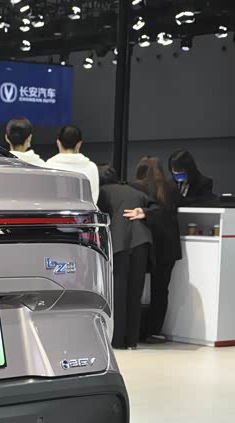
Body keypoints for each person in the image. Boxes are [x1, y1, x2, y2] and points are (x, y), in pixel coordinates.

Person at [97, 165, 157, 350]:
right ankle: (132, 340)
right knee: (135, 292)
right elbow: (157, 207)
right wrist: (144, 213)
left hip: (119, 243)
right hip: (141, 242)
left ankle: (117, 340)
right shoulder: (135, 192)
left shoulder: (101, 193)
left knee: (118, 292)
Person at [131, 157, 183, 343]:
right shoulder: (171, 188)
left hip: (146, 245)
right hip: (168, 248)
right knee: (160, 291)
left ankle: (134, 329)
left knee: (135, 288)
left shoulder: (136, 187)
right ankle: (153, 331)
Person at [46, 124, 99, 203]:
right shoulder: (91, 167)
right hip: (85, 210)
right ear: (79, 144)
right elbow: (94, 198)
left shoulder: (47, 166)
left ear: (58, 143)